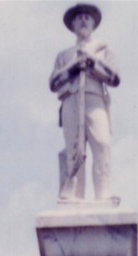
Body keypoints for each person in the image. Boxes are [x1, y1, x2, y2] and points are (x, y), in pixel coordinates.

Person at [49, 4, 119, 202]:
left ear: (94, 23)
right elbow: (53, 82)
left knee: (102, 143)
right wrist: (73, 68)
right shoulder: (64, 55)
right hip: (71, 99)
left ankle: (103, 193)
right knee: (74, 147)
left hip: (95, 98)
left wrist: (93, 63)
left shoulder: (102, 50)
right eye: (78, 17)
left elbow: (115, 78)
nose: (83, 20)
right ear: (72, 24)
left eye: (87, 17)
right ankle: (73, 195)